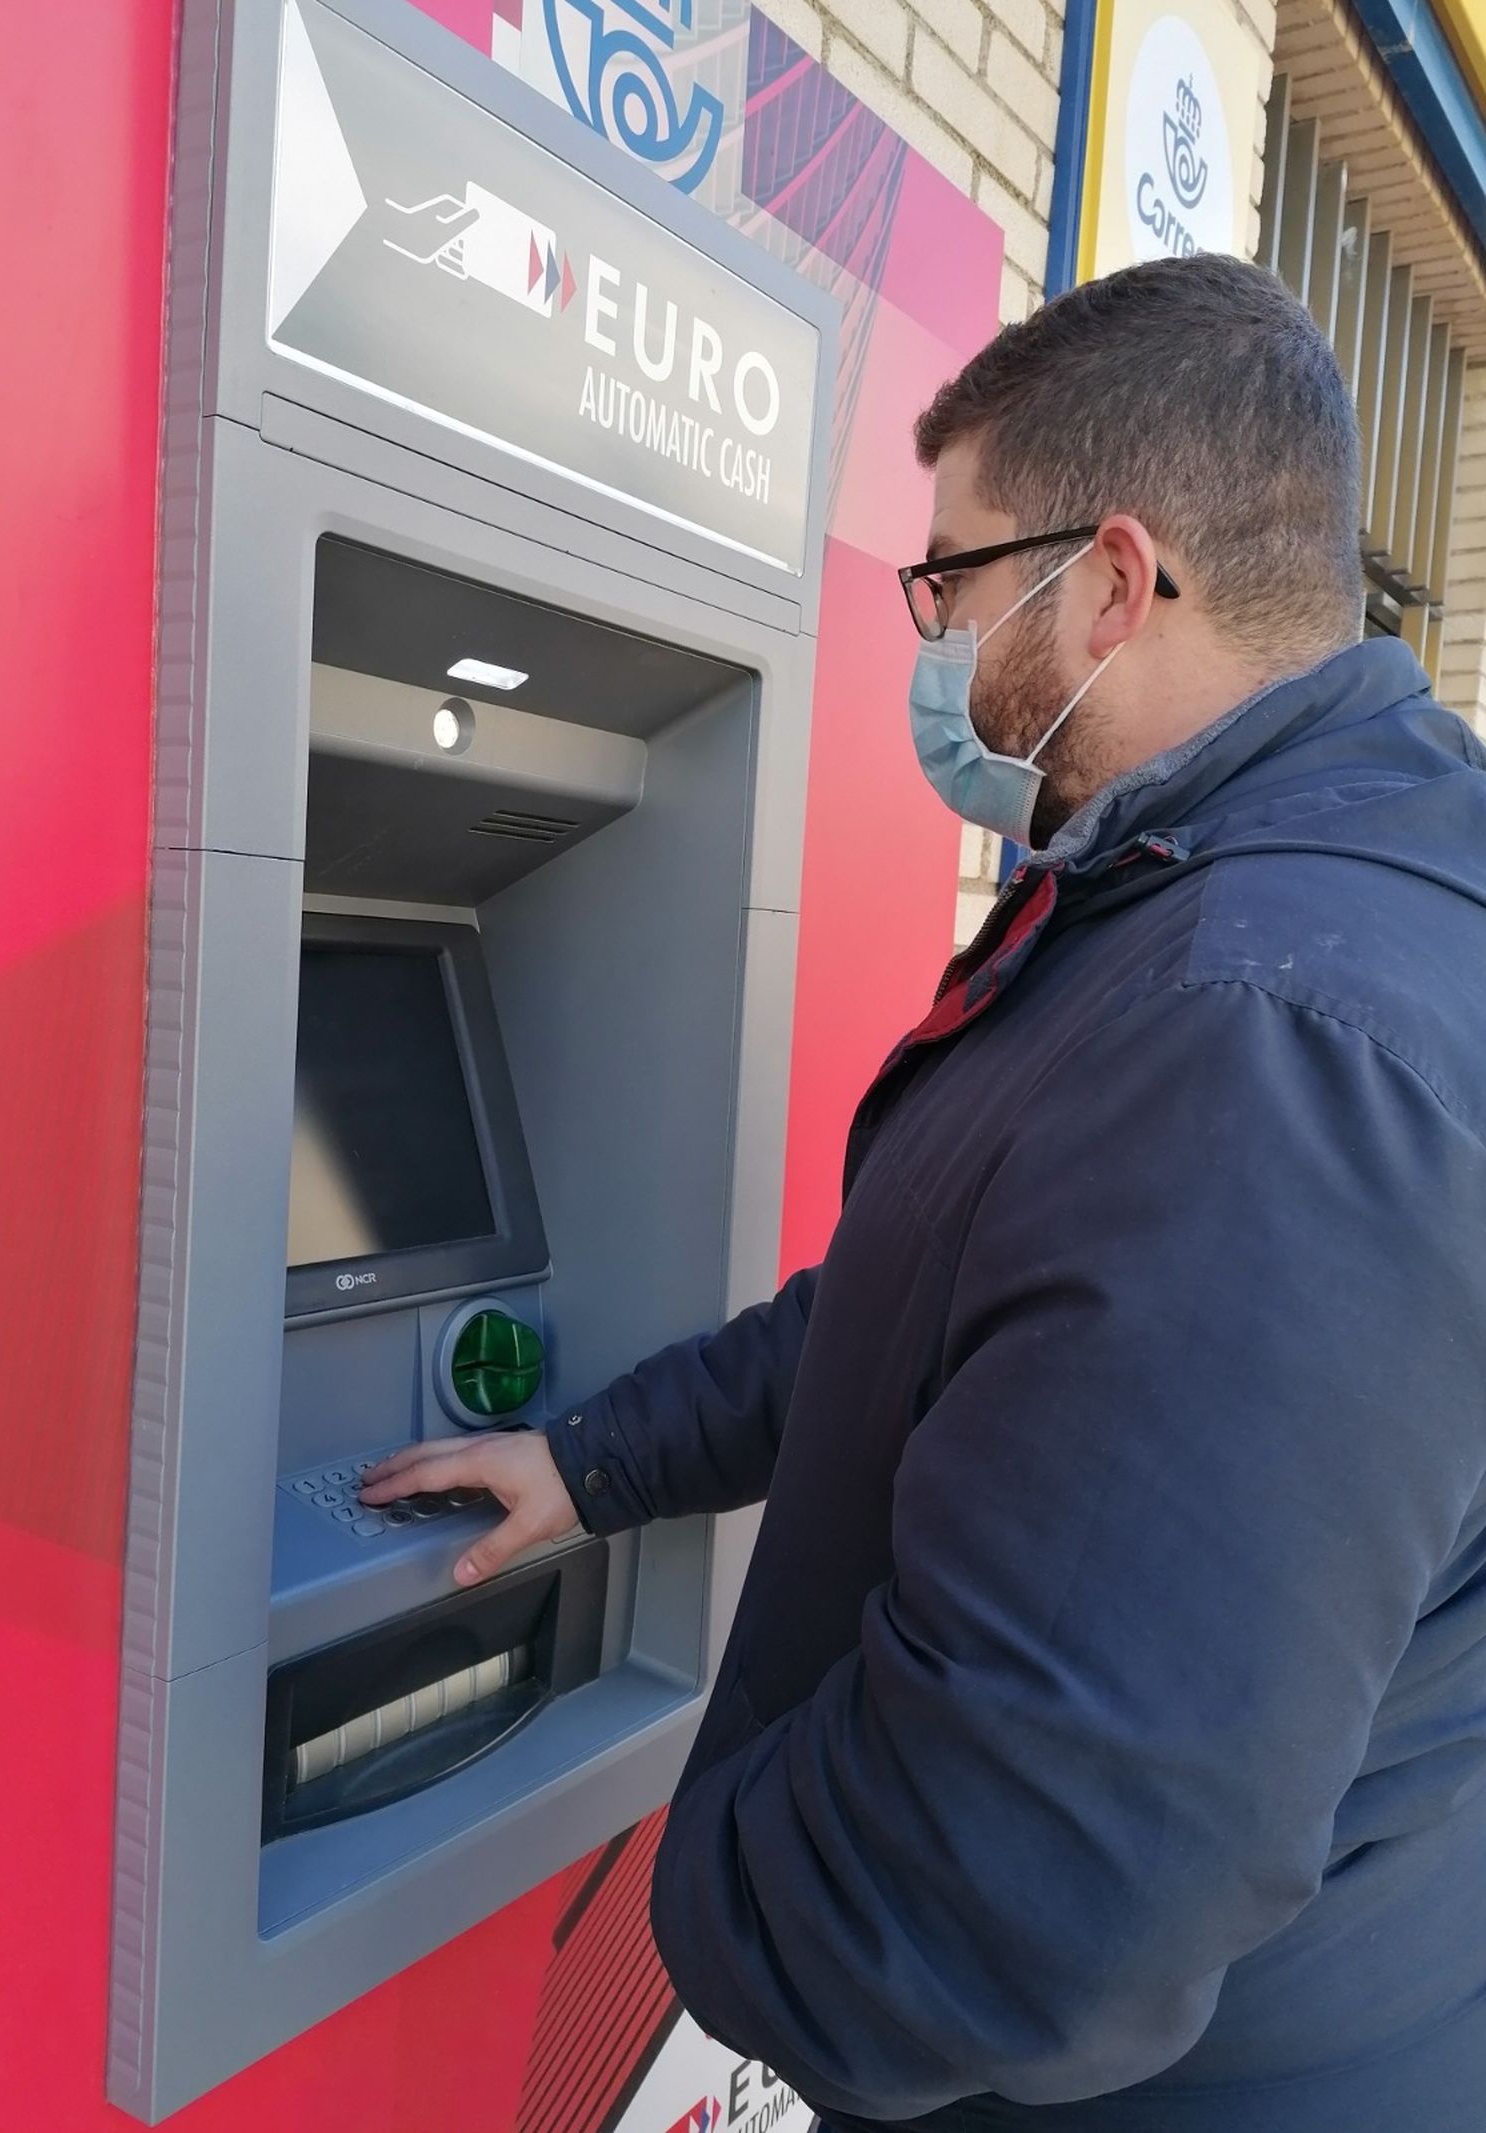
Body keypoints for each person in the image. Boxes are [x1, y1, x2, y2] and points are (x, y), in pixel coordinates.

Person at [361, 255, 1486, 2130]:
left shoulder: (1265, 1035)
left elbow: (1029, 1893)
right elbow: (936, 1307)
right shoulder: (1309, 894)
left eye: (953, 578)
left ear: (1116, 582)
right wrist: (603, 1458)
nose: (931, 634)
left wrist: (695, 1887)